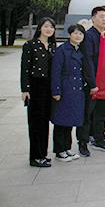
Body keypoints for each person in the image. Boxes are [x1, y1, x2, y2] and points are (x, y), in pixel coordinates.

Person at [51, 24, 98, 162]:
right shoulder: (62, 50)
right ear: (69, 34)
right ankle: (59, 151)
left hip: (77, 91)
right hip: (65, 89)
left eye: (81, 34)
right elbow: (56, 72)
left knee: (70, 120)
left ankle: (67, 148)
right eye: (75, 33)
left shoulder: (79, 51)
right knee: (61, 121)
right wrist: (56, 91)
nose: (78, 36)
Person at [21, 17, 57, 167]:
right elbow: (25, 68)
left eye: (51, 27)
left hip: (48, 87)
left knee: (44, 122)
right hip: (35, 87)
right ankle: (35, 157)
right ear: (40, 28)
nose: (49, 29)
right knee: (36, 123)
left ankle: (43, 154)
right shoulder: (30, 45)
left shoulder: (53, 46)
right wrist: (25, 89)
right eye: (46, 26)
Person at [81, 6, 105, 154]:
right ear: (93, 18)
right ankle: (84, 142)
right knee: (88, 113)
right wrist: (92, 84)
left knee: (102, 112)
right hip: (93, 82)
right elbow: (87, 61)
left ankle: (98, 137)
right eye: (101, 17)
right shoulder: (89, 36)